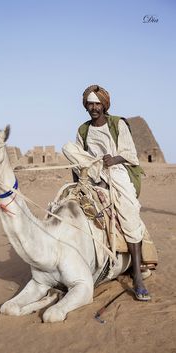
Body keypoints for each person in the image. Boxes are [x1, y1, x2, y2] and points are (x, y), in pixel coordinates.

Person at [73, 84, 150, 301]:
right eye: (90, 103)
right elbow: (78, 158)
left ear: (104, 104)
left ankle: (137, 277)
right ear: (86, 106)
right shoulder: (83, 130)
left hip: (116, 172)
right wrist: (80, 184)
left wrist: (113, 158)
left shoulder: (118, 124)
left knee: (129, 214)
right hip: (92, 173)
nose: (94, 107)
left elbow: (130, 154)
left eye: (98, 103)